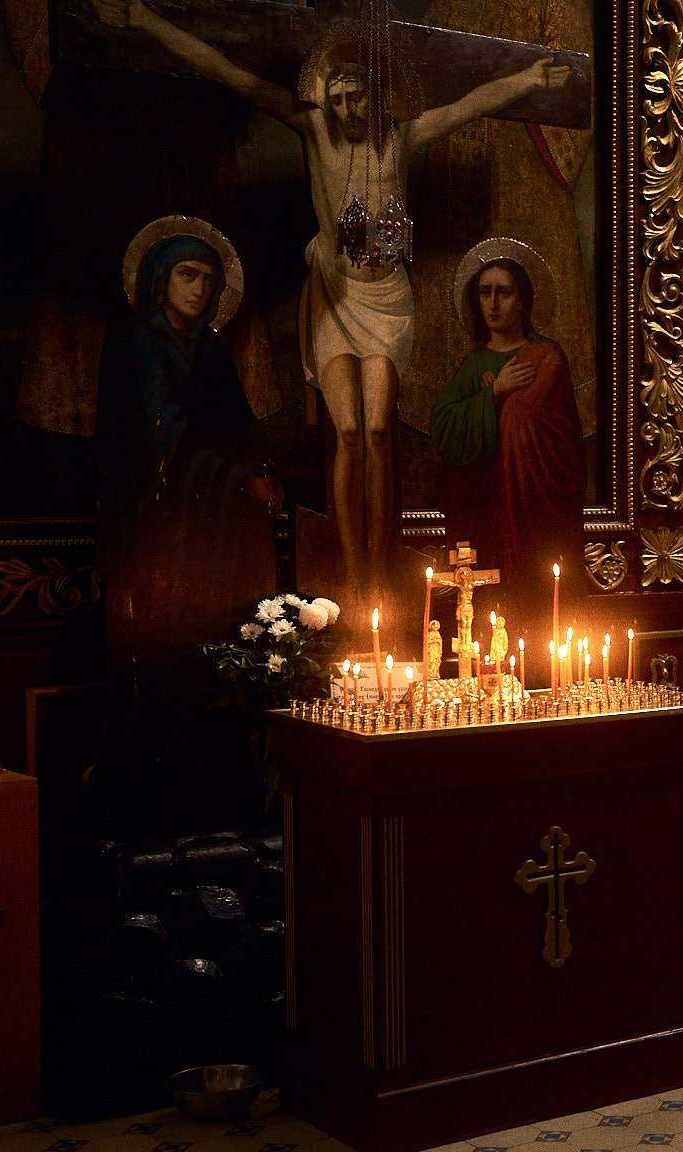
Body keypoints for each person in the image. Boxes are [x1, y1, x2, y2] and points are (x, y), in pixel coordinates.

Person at [93, 0, 571, 602]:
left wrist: (527, 78)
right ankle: (354, 571)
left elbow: (468, 105)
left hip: (386, 299)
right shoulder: (314, 129)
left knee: (378, 431)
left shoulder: (400, 139)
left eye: (356, 97)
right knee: (347, 432)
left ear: (376, 99)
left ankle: (381, 560)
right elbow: (232, 74)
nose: (345, 108)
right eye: (337, 97)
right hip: (333, 294)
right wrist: (146, 21)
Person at [96, 222, 284, 828]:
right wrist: (237, 480)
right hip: (158, 538)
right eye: (187, 274)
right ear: (158, 281)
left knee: (215, 671)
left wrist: (264, 473)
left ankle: (220, 804)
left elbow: (238, 428)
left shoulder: (208, 351)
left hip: (214, 540)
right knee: (164, 672)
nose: (199, 289)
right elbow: (161, 437)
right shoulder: (137, 345)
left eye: (208, 279)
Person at [431, 249, 584, 624]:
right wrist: (495, 395)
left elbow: (560, 436)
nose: (493, 303)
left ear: (524, 301)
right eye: (485, 293)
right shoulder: (474, 365)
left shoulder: (545, 356)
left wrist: (506, 407)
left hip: (536, 511)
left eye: (504, 292)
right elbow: (444, 430)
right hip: (484, 513)